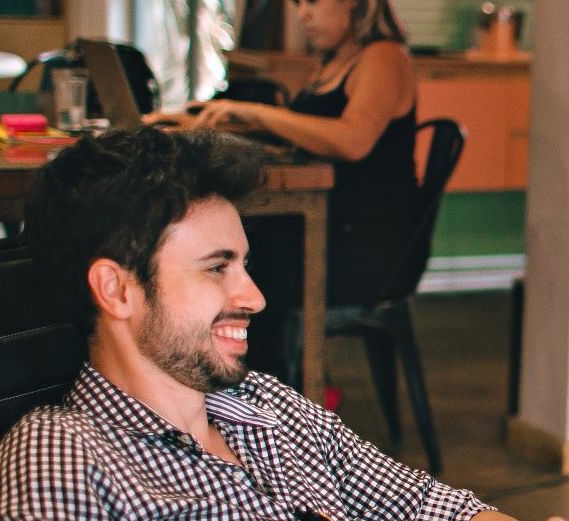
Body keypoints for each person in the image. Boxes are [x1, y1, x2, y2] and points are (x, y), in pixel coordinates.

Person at [0, 128, 569, 521]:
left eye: (243, 264)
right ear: (117, 289)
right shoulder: (58, 460)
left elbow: (427, 512)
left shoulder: (265, 406)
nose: (255, 296)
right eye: (217, 269)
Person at [146, 0, 421, 379]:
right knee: (229, 254)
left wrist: (256, 113)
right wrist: (202, 121)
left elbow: (353, 139)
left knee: (239, 266)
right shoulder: (336, 59)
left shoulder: (384, 57)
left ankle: (257, 393)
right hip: (331, 228)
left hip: (365, 246)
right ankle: (234, 386)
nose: (302, 14)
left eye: (312, 2)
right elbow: (307, 131)